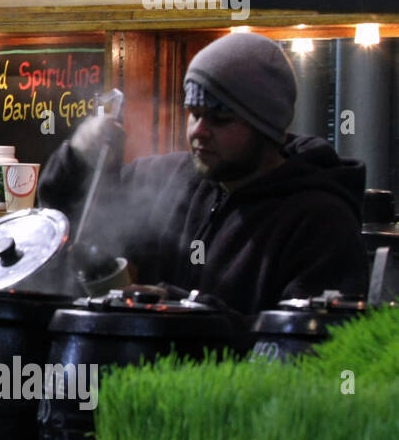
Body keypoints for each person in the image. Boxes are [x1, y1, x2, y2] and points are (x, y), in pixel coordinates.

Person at [38, 32, 368, 315]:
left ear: (267, 127)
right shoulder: (167, 179)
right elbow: (65, 218)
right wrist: (77, 157)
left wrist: (187, 312)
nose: (199, 131)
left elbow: (305, 350)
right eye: (193, 114)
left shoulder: (320, 221)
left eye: (219, 119)